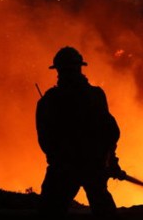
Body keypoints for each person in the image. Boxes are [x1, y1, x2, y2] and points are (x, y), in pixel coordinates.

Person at [36, 46, 126, 219]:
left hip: (64, 168)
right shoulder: (95, 96)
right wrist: (108, 160)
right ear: (80, 68)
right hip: (90, 165)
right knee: (103, 208)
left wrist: (60, 159)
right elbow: (110, 132)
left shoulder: (49, 100)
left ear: (58, 70)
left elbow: (45, 139)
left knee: (50, 211)